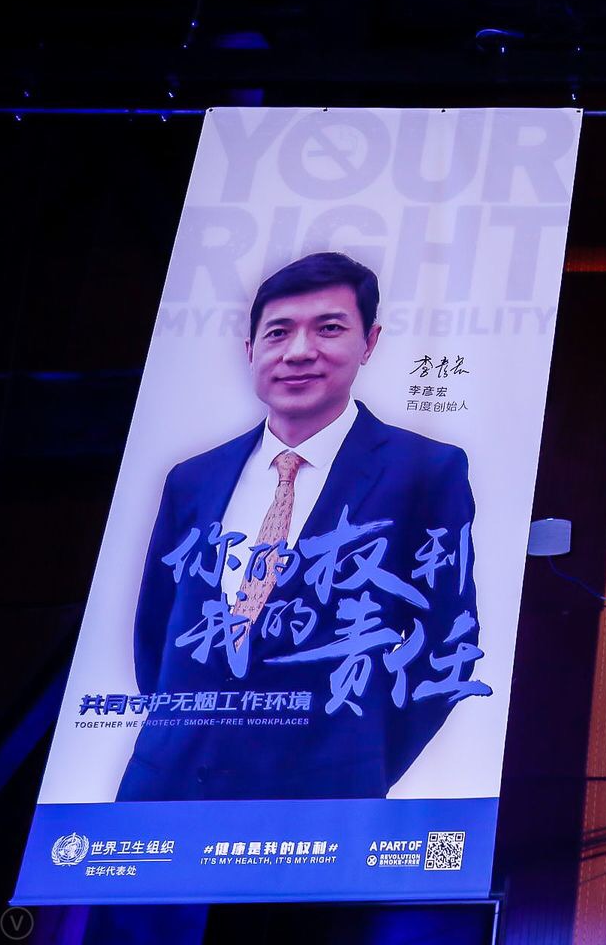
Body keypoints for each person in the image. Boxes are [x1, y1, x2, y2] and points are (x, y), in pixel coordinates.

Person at [118, 252, 483, 801]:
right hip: (165, 789)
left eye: (329, 328)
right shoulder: (193, 478)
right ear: (251, 350)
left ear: (370, 342)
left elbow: (446, 641)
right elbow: (156, 631)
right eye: (278, 332)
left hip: (320, 799)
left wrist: (361, 763)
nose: (298, 352)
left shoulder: (425, 471)